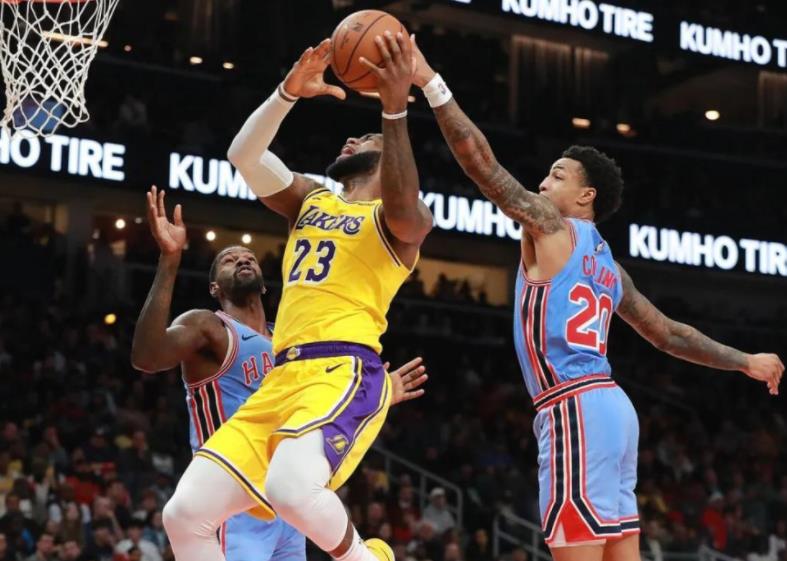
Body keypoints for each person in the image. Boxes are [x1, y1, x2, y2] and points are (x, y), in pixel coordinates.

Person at [409, 40, 784, 561]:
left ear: (587, 196)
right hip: (613, 411)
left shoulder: (550, 225)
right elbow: (669, 334)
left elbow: (483, 167)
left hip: (573, 407)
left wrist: (430, 81)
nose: (543, 182)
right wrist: (745, 360)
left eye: (558, 175)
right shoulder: (609, 266)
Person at [134, 178, 428, 561]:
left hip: (285, 511)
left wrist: (379, 390)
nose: (243, 260)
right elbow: (147, 356)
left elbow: (322, 405)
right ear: (214, 288)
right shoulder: (210, 327)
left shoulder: (292, 343)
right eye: (229, 260)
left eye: (249, 257)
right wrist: (170, 260)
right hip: (233, 500)